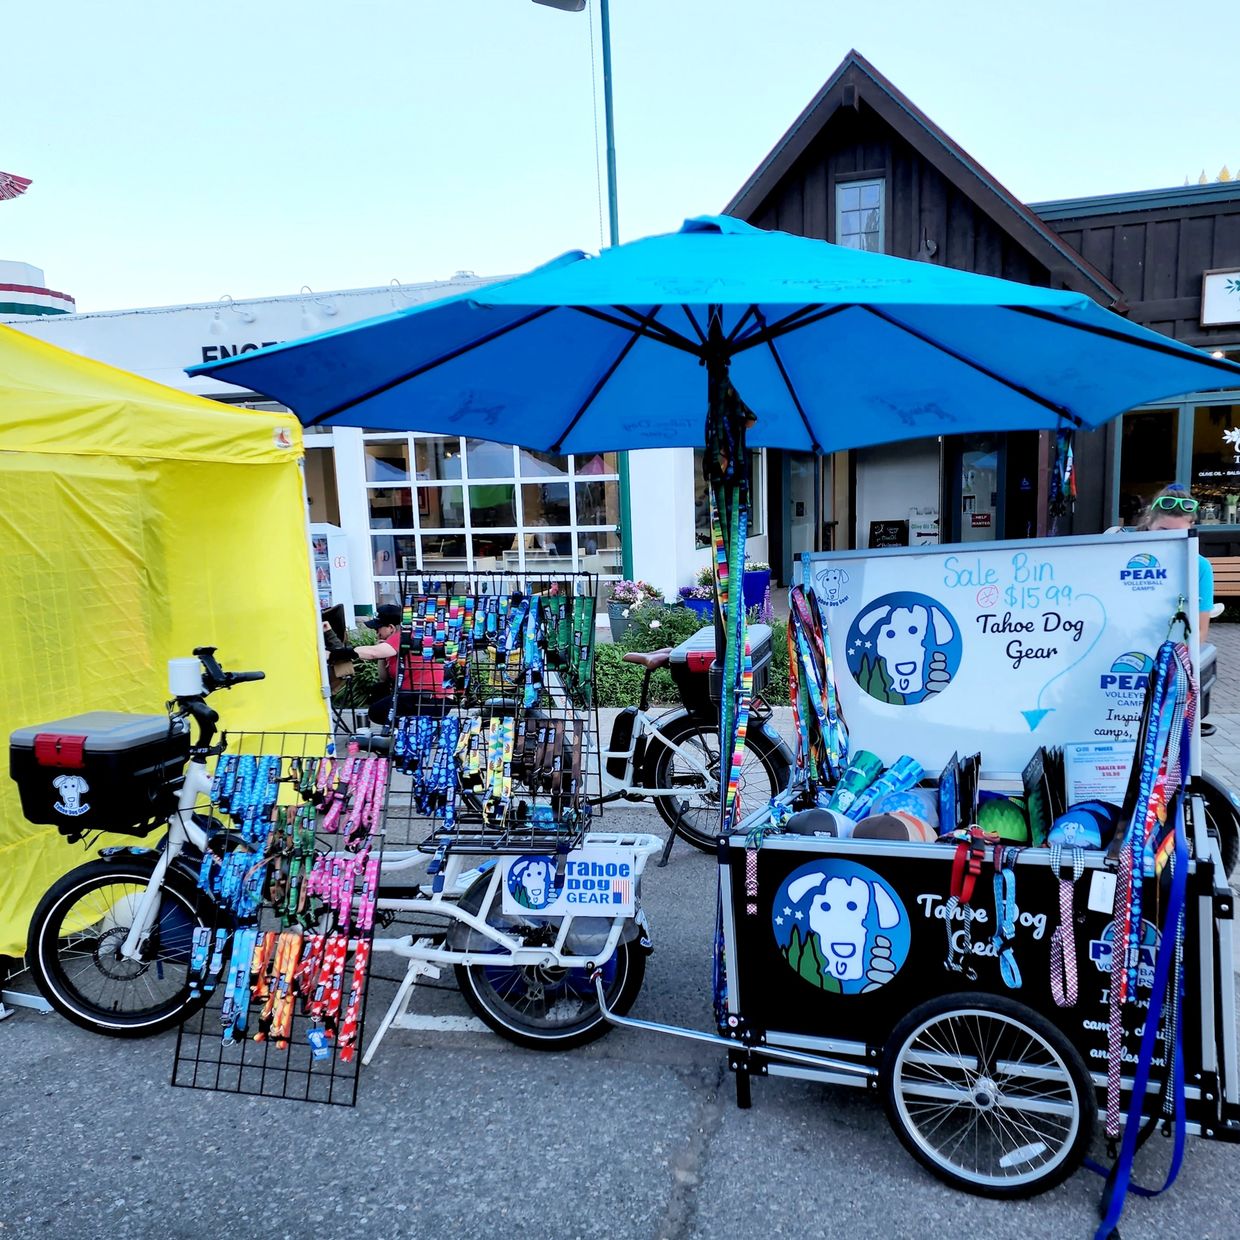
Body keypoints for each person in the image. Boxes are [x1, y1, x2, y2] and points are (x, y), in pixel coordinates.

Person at [1137, 483, 1221, 734]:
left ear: (1191, 530)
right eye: (1162, 530)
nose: (1167, 539)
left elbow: (1200, 631)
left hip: (1171, 663)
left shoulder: (1200, 567)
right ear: (1149, 524)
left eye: (1178, 533)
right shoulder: (1127, 555)